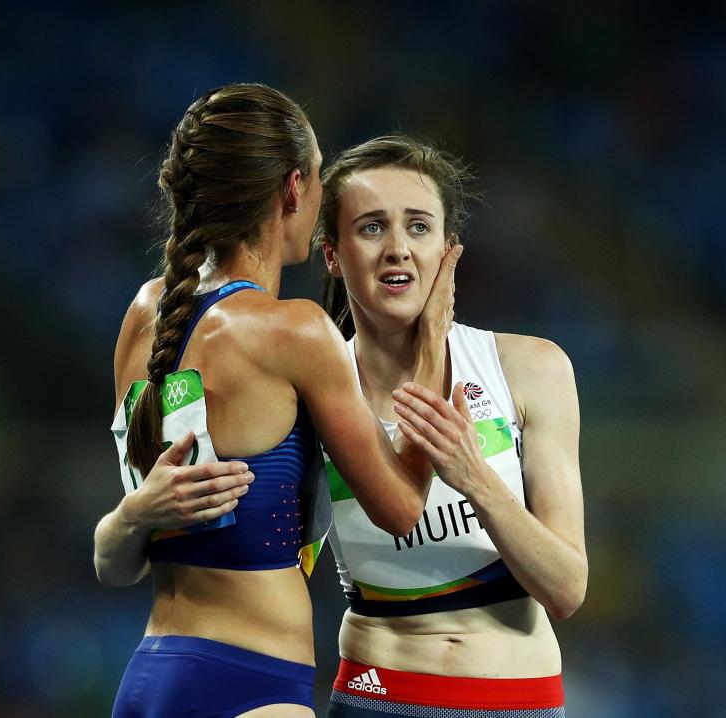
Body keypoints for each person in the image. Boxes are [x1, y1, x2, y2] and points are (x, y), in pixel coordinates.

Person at [93, 85, 459, 718]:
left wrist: (131, 516)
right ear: (294, 188)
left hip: (150, 678)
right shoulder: (294, 331)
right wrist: (431, 339)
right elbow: (401, 509)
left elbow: (116, 563)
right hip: (250, 686)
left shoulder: (144, 315)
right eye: (319, 179)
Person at [314, 135, 587, 717]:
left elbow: (565, 589)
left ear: (448, 249)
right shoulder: (309, 391)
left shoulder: (531, 369)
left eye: (418, 226)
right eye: (370, 227)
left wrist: (475, 477)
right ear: (332, 255)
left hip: (516, 699)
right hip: (375, 696)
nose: (397, 249)